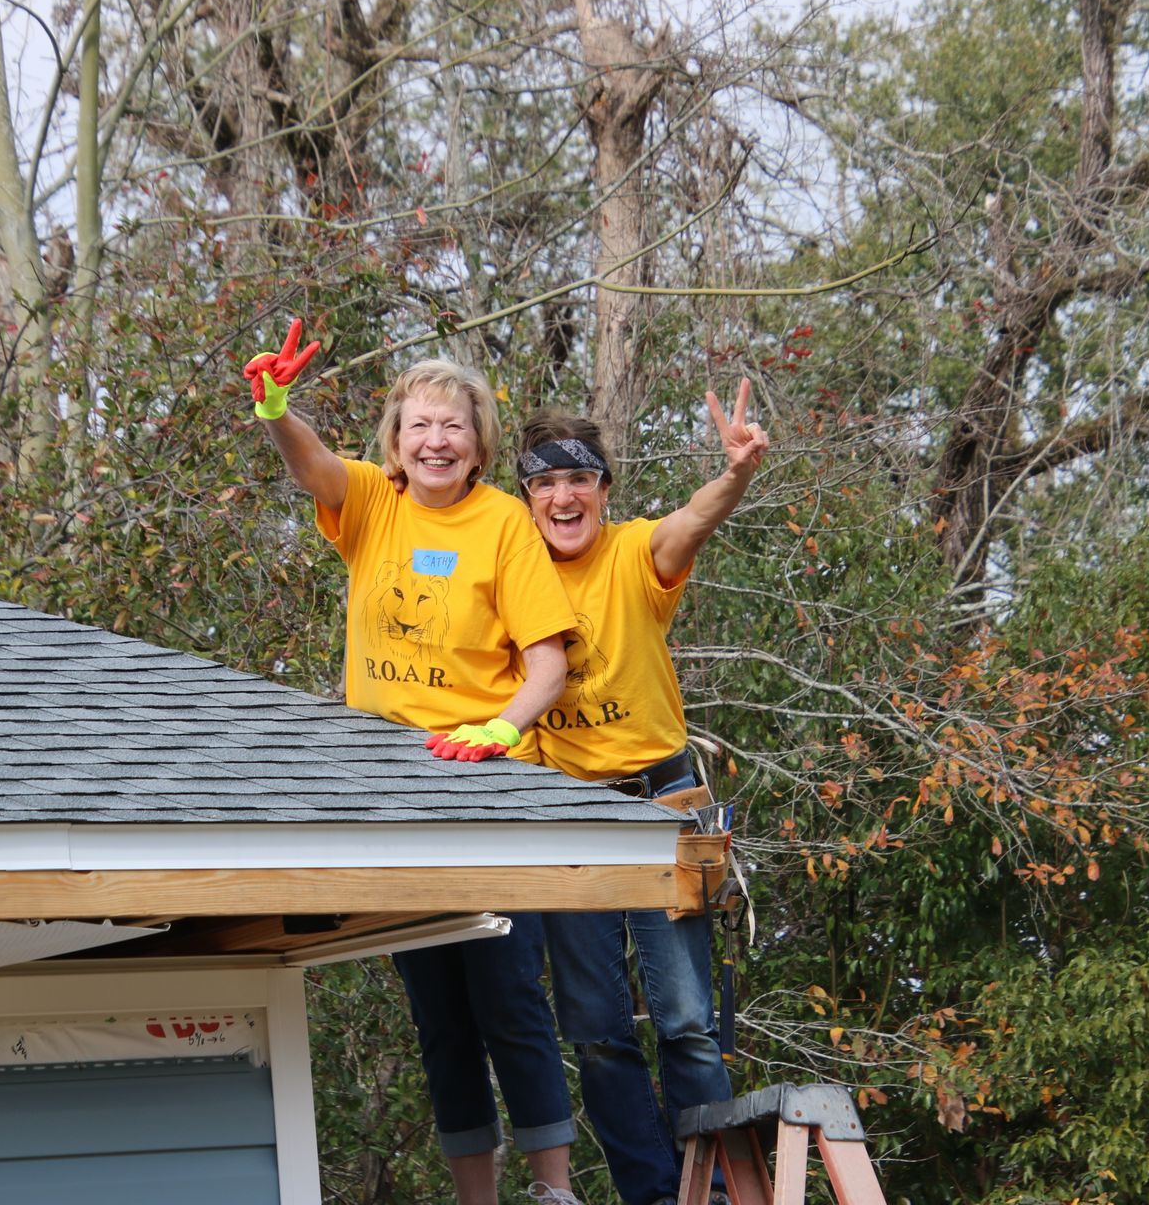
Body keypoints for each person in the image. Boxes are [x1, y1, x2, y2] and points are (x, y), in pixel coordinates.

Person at [245, 325, 584, 1205]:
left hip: (489, 788)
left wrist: (503, 730)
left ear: (480, 444)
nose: (437, 440)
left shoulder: (505, 522)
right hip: (390, 789)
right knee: (439, 1015)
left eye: (456, 426)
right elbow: (312, 467)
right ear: (395, 441)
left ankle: (553, 1190)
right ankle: (478, 1197)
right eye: (421, 425)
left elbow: (547, 660)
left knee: (511, 998)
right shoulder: (371, 502)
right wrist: (277, 409)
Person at [515, 380, 769, 1205]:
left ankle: (717, 1192)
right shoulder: (509, 575)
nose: (564, 496)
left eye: (579, 479)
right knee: (594, 1031)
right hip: (565, 814)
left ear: (603, 489)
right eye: (546, 482)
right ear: (527, 498)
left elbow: (694, 519)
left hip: (659, 803)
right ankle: (654, 1195)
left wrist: (733, 474)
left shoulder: (633, 553)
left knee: (687, 1021)